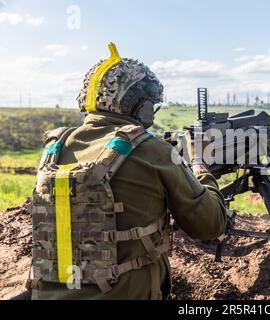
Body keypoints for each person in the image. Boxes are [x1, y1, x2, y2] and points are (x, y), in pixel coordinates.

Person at [28, 43, 227, 300]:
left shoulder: (54, 149)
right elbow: (210, 225)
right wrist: (200, 165)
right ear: (141, 107)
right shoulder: (151, 150)